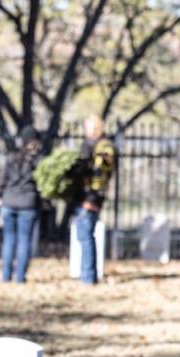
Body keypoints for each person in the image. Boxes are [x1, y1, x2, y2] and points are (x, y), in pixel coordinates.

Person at [72, 115, 117, 284]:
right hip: (85, 196)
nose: (85, 131)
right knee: (83, 236)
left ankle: (88, 276)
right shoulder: (89, 146)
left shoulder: (104, 148)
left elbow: (100, 175)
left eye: (88, 128)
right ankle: (86, 274)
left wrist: (91, 197)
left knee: (86, 236)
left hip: (91, 198)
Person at [0, 125, 42, 283]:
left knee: (9, 239)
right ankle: (20, 276)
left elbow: (2, 180)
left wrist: (0, 197)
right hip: (28, 203)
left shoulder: (11, 157)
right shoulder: (37, 160)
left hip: (8, 202)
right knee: (24, 240)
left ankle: (5, 275)